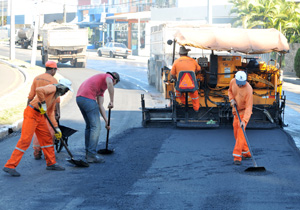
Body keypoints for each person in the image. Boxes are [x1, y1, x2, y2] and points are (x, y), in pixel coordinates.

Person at [3, 78, 73, 177]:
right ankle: (10, 165)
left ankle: (51, 163)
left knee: (47, 139)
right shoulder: (52, 88)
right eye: (66, 90)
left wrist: (56, 128)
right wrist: (43, 103)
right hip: (31, 113)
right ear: (61, 87)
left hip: (40, 116)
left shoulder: (54, 97)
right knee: (25, 140)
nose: (66, 92)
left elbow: (50, 113)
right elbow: (39, 90)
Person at [76, 72, 120, 163]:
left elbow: (100, 105)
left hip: (80, 99)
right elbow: (110, 83)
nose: (113, 85)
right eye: (115, 83)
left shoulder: (101, 89)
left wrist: (106, 121)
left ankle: (88, 153)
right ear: (114, 80)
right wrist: (112, 101)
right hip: (87, 98)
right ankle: (91, 155)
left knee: (90, 126)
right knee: (96, 127)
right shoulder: (108, 77)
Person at [27, 61, 60, 160]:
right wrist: (58, 112)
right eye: (55, 70)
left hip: (36, 108)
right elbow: (57, 99)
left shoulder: (37, 78)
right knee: (50, 131)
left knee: (38, 131)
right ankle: (48, 154)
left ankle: (37, 151)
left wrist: (27, 107)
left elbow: (31, 95)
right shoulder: (54, 80)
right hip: (49, 109)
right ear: (53, 69)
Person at [228, 71, 253, 165]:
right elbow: (230, 91)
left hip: (244, 113)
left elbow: (249, 107)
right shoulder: (232, 82)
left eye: (242, 84)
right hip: (236, 111)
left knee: (240, 133)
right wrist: (232, 99)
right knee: (236, 133)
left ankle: (237, 156)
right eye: (239, 84)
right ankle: (246, 152)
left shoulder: (248, 89)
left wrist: (244, 120)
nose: (240, 86)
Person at [170, 46, 201, 111]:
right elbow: (199, 69)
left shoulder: (176, 62)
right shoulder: (193, 61)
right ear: (187, 53)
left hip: (180, 86)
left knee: (178, 92)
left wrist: (176, 78)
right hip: (192, 86)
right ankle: (196, 109)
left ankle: (184, 103)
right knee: (195, 95)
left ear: (179, 54)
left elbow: (172, 74)